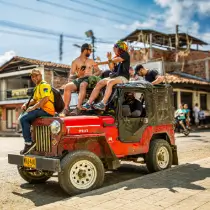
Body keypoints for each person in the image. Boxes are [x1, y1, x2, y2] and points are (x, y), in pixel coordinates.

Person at [82, 40, 130, 111]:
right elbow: (112, 68)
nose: (113, 50)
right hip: (116, 77)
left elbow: (114, 61)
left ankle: (103, 103)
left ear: (119, 48)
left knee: (110, 82)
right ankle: (88, 103)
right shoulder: (116, 57)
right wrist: (109, 59)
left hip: (123, 78)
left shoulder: (125, 54)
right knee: (100, 82)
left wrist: (99, 63)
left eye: (114, 48)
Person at [20, 69, 55, 154]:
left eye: (36, 75)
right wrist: (26, 104)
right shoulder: (37, 87)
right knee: (24, 117)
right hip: (41, 109)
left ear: (41, 76)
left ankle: (28, 143)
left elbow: (45, 99)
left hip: (47, 110)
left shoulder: (44, 85)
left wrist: (33, 108)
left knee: (23, 119)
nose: (34, 78)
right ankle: (32, 140)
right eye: (32, 76)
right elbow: (35, 99)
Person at [63, 43, 101, 116]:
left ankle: (78, 107)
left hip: (88, 79)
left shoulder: (91, 61)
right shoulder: (75, 61)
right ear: (85, 50)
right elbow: (71, 75)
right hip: (79, 78)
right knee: (67, 87)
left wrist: (92, 75)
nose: (91, 52)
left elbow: (99, 71)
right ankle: (66, 108)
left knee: (82, 85)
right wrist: (78, 75)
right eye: (90, 51)